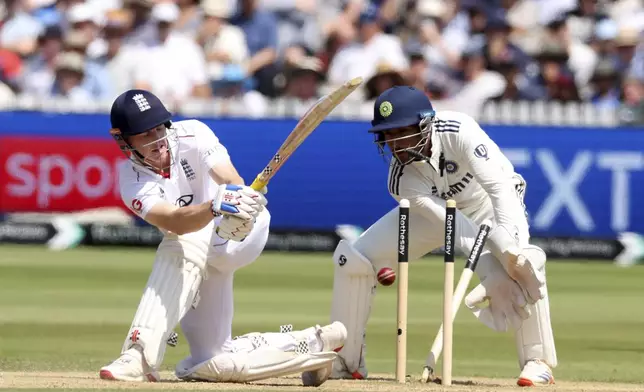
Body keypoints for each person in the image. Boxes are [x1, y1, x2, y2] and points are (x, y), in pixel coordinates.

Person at [99, 89, 346, 385]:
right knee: (210, 360)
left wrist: (234, 202)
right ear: (123, 140)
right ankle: (313, 344)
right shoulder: (132, 181)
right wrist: (212, 206)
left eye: (158, 128)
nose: (157, 140)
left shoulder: (193, 132)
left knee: (181, 243)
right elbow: (173, 220)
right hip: (196, 255)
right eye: (144, 135)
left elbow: (231, 180)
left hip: (241, 230)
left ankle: (139, 354)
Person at [329, 86, 556, 386]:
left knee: (522, 264)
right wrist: (490, 271)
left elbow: (500, 189)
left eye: (401, 132)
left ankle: (537, 361)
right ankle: (347, 359)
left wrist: (510, 256)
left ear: (425, 123)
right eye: (387, 135)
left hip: (490, 203)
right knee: (353, 261)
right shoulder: (401, 181)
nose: (394, 144)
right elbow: (454, 227)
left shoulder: (458, 130)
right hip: (439, 215)